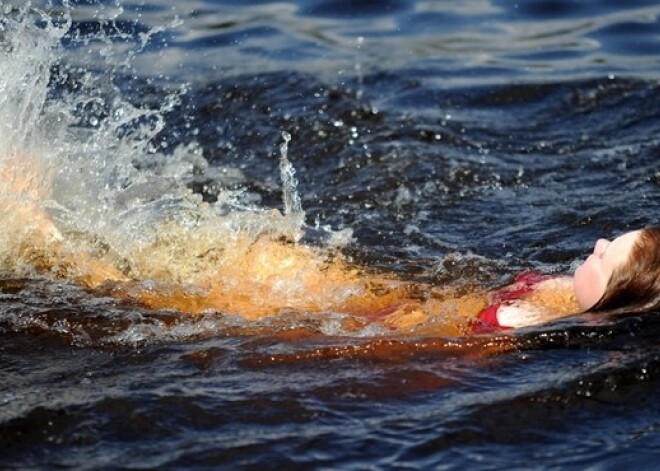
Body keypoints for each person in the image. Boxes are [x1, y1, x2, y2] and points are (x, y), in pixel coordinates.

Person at [2, 153, 658, 335]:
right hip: (374, 298)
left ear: (613, 301)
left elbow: (414, 346)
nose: (596, 242)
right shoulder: (555, 297)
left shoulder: (519, 328)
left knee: (179, 299)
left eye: (608, 255)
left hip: (355, 322)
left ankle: (50, 245)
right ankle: (64, 237)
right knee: (254, 256)